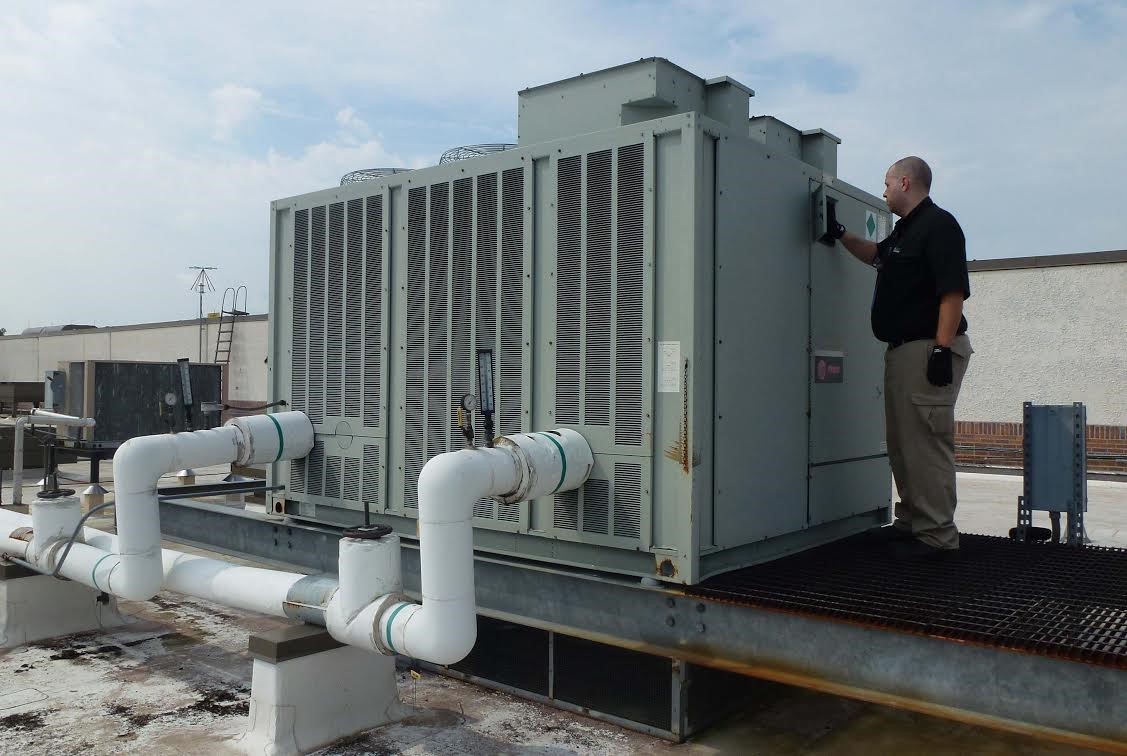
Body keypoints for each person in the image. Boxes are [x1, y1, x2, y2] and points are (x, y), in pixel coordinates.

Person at [828, 156, 973, 558]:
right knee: (903, 443)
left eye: (887, 184)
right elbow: (875, 255)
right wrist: (840, 234)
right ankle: (911, 521)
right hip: (903, 351)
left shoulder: (940, 225)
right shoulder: (905, 231)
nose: (884, 192)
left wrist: (941, 349)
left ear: (905, 183)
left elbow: (952, 293)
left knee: (925, 443)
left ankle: (937, 535)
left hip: (928, 349)